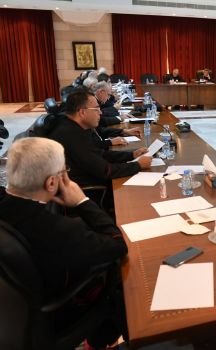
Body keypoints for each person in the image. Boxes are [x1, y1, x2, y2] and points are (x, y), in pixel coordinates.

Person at [0, 137, 128, 349]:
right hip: (57, 314)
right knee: (123, 282)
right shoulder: (60, 229)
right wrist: (82, 201)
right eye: (64, 171)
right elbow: (117, 245)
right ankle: (100, 343)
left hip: (15, 310)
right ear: (52, 182)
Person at [48, 90, 151, 186]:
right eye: (97, 109)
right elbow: (106, 171)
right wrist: (138, 165)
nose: (101, 113)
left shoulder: (75, 126)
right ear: (82, 112)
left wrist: (132, 155)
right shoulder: (71, 134)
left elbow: (99, 154)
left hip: (89, 177)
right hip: (85, 188)